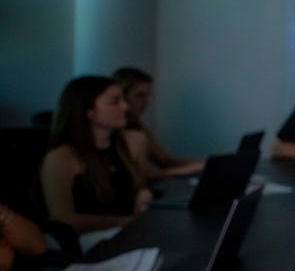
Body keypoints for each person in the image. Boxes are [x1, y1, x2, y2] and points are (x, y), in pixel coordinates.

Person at [39, 76, 154, 233]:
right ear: (89, 111)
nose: (125, 107)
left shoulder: (132, 143)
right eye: (115, 102)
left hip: (127, 233)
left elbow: (140, 188)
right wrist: (129, 221)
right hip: (88, 242)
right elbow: (64, 220)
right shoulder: (61, 157)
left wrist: (143, 195)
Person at [112, 66, 205, 180]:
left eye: (148, 96)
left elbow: (165, 161)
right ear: (122, 97)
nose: (146, 102)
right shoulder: (111, 130)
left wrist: (205, 164)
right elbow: (139, 177)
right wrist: (187, 170)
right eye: (140, 96)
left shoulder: (137, 125)